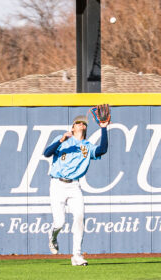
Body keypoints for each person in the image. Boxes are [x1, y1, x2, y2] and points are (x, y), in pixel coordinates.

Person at [43, 112, 110, 266]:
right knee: (59, 222)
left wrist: (104, 129)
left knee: (79, 218)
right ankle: (52, 236)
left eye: (84, 123)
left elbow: (102, 150)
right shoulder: (63, 140)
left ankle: (77, 256)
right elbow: (46, 153)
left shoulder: (87, 146)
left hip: (74, 186)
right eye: (78, 123)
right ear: (72, 128)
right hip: (57, 184)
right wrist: (61, 140)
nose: (82, 124)